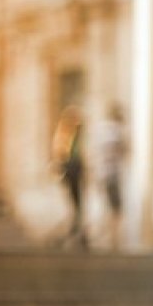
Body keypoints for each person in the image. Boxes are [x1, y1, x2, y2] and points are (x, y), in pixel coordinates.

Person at [51, 105, 87, 249]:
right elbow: (61, 154)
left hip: (75, 170)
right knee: (75, 202)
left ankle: (76, 229)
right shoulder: (64, 134)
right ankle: (74, 230)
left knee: (77, 203)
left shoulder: (74, 136)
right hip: (70, 170)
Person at [96, 101, 128, 249]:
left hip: (103, 173)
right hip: (111, 174)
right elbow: (120, 149)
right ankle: (113, 241)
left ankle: (110, 239)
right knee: (115, 209)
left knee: (109, 207)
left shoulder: (101, 130)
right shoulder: (113, 131)